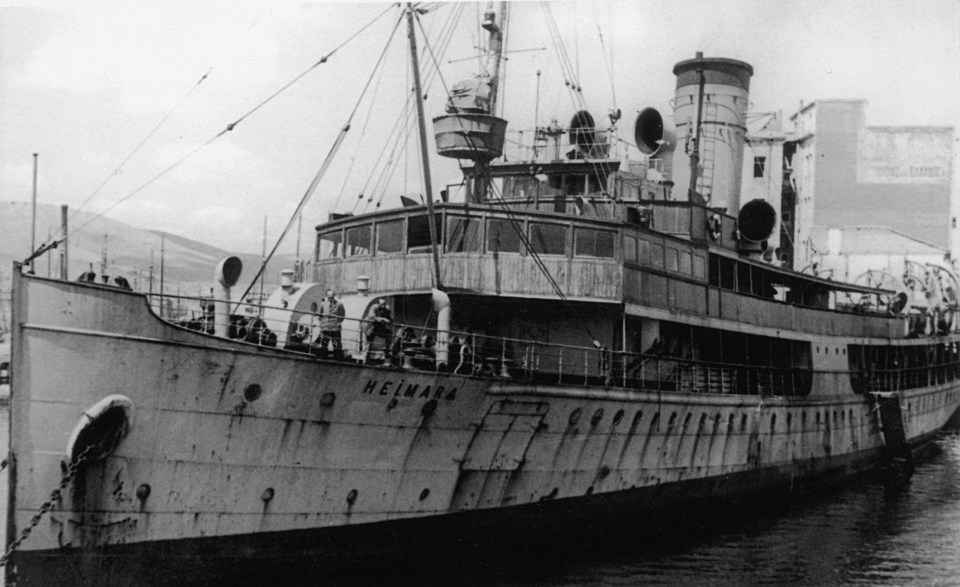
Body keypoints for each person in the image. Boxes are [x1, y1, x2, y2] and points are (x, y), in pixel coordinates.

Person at [364, 297, 394, 364]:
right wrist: (383, 319)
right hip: (370, 327)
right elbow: (372, 317)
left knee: (389, 334)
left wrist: (388, 321)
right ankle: (365, 362)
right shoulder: (373, 308)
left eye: (384, 305)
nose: (382, 307)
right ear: (378, 304)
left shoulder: (386, 309)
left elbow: (391, 319)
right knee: (368, 346)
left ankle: (387, 351)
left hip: (379, 328)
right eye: (381, 305)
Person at [318, 289, 346, 359]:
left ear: (334, 296)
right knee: (324, 345)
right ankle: (323, 359)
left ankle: (338, 359)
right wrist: (322, 323)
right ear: (326, 296)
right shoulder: (323, 304)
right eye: (329, 296)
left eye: (332, 296)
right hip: (325, 327)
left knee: (337, 345)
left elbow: (342, 315)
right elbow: (320, 315)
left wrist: (337, 323)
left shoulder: (339, 304)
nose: (331, 298)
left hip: (335, 328)